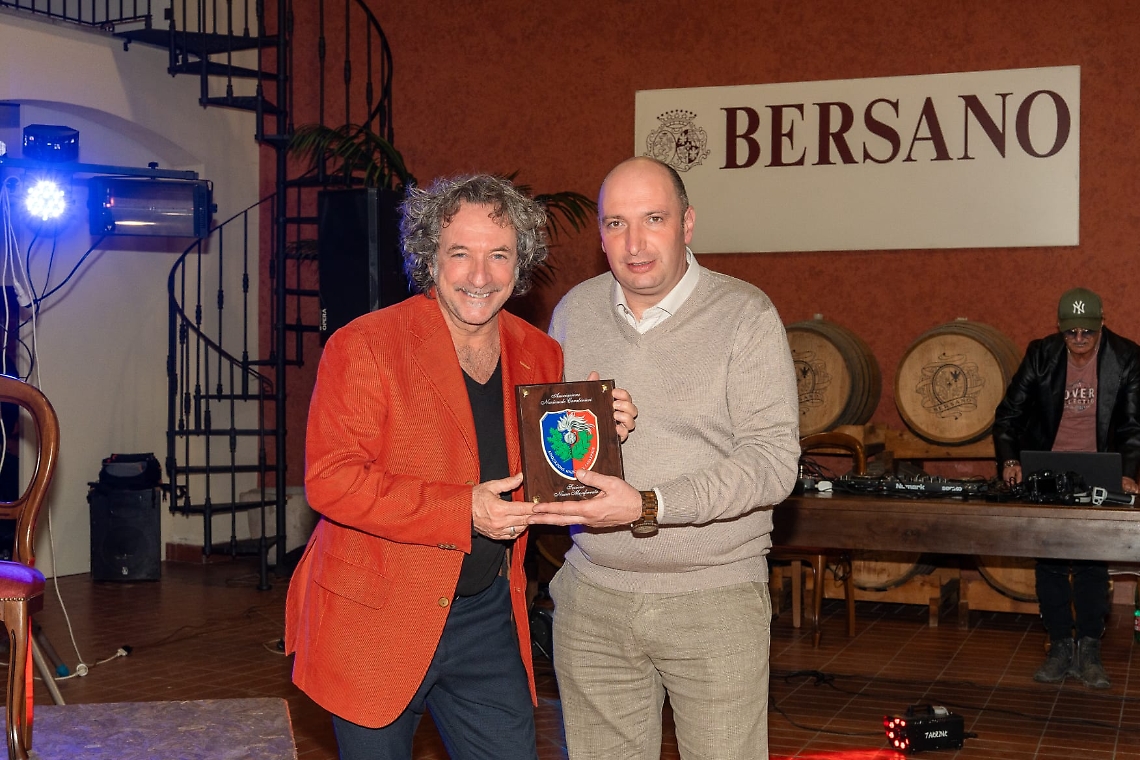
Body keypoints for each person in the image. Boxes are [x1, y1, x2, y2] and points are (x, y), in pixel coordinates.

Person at [284, 174, 634, 759]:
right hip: (378, 615)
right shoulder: (365, 345)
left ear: (520, 263)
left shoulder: (539, 352)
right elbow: (332, 480)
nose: (480, 275)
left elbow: (548, 470)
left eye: (499, 255)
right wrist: (462, 510)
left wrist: (597, 427)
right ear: (429, 258)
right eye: (460, 253)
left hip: (486, 615)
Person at [529, 156, 801, 760]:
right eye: (616, 223)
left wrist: (650, 504)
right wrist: (587, 430)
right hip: (593, 597)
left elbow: (773, 461)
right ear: (601, 236)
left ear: (687, 223)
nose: (635, 242)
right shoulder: (574, 311)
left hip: (713, 600)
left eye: (653, 218)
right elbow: (551, 438)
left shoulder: (745, 314)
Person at [993, 286, 1140, 690]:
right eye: (1071, 332)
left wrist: (1127, 471)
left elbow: (1133, 426)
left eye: (1087, 331)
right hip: (1049, 468)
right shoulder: (1041, 354)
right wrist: (1010, 460)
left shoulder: (1126, 357)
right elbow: (1008, 416)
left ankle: (1089, 648)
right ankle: (1059, 645)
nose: (1079, 339)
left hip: (1099, 466)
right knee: (1051, 559)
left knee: (1092, 561)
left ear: (1101, 324)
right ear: (1060, 328)